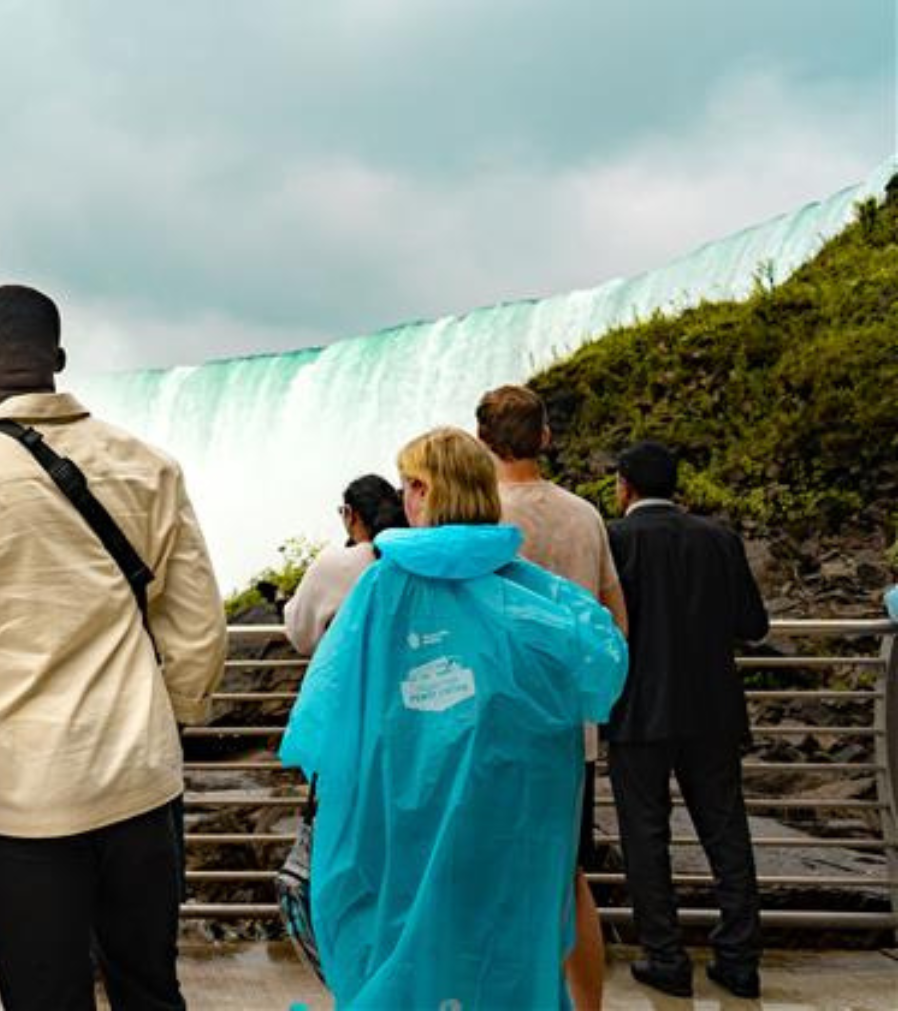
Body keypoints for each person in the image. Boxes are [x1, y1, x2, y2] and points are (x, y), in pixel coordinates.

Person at [0, 285, 229, 1011]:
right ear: (58, 357)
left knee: (43, 999)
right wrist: (164, 719)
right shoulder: (149, 465)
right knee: (150, 988)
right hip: (138, 777)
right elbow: (198, 625)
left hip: (15, 800)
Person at [278, 427, 627, 1008]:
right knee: (497, 949)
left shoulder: (385, 585)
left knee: (406, 946)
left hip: (404, 811)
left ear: (422, 491)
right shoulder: (526, 590)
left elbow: (330, 712)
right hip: (508, 818)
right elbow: (595, 673)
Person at [476, 384, 628, 1011]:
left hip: (491, 727)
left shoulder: (480, 521)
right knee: (568, 879)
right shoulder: (584, 514)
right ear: (545, 437)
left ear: (482, 441)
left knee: (486, 873)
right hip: (568, 731)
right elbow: (613, 620)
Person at [604, 440, 768, 1000]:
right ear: (678, 486)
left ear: (624, 484)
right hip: (713, 709)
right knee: (726, 829)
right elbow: (753, 624)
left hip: (637, 710)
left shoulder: (615, 539)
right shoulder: (719, 538)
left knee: (645, 836)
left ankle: (665, 956)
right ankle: (740, 959)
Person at [282, 475, 405, 655]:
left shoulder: (332, 563)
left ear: (349, 513)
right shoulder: (411, 558)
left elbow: (301, 636)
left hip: (353, 677)